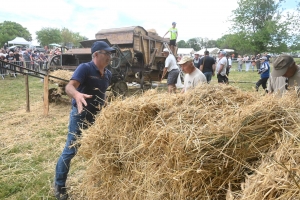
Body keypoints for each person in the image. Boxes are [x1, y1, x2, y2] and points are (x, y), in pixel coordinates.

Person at [54, 41, 115, 199]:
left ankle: (100, 179)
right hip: (80, 115)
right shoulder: (85, 68)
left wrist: (107, 103)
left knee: (100, 147)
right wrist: (77, 95)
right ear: (95, 55)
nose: (110, 56)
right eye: (106, 53)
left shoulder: (108, 74)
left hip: (97, 116)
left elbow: (102, 93)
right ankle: (59, 185)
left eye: (110, 53)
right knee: (71, 150)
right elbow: (70, 87)